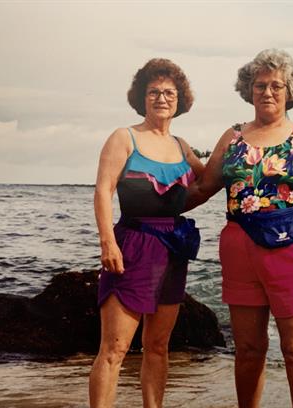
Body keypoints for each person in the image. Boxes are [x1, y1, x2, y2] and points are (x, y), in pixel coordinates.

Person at [186, 49, 293, 408]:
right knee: (249, 351)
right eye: (260, 85)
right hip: (239, 249)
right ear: (248, 91)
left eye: (276, 85)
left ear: (290, 91)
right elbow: (203, 188)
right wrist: (148, 211)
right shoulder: (232, 136)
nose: (268, 92)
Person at [89, 58, 203, 408]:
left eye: (169, 92)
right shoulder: (125, 138)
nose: (161, 98)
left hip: (173, 248)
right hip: (133, 244)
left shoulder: (183, 146)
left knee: (158, 346)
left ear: (179, 99)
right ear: (142, 97)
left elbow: (206, 184)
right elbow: (102, 191)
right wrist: (108, 241)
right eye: (153, 92)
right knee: (114, 349)